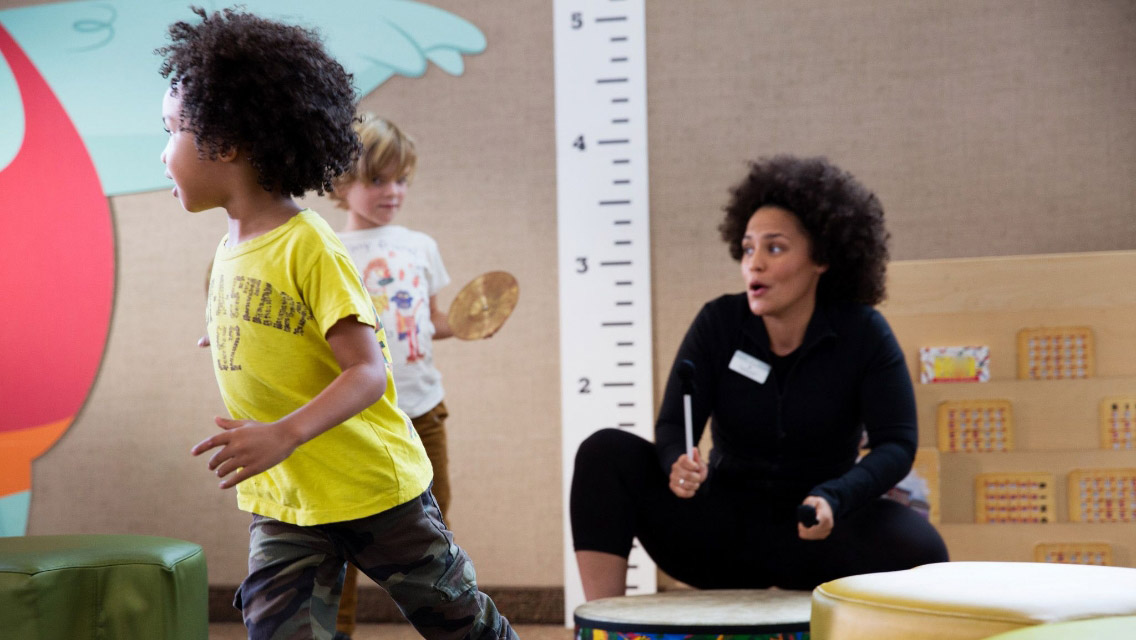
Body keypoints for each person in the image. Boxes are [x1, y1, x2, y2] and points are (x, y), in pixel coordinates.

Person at [157, 8, 517, 639]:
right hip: (289, 498)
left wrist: (284, 433)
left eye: (171, 132)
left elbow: (367, 372)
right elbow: (276, 326)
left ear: (227, 143)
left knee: (458, 620)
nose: (163, 155)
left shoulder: (311, 244)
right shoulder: (229, 248)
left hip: (373, 489)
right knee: (277, 630)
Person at [570, 155, 949, 599]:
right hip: (721, 531)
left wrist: (834, 497)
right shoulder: (718, 323)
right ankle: (598, 624)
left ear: (822, 258)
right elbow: (673, 424)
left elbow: (896, 443)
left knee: (921, 547)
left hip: (817, 528)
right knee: (604, 452)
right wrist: (677, 462)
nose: (755, 264)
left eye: (774, 247)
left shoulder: (864, 332)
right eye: (748, 248)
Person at [328, 115, 464, 639]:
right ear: (343, 183)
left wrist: (472, 321)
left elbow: (432, 321)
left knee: (433, 526)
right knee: (340, 532)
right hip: (355, 417)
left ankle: (451, 623)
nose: (393, 191)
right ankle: (336, 629)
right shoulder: (330, 249)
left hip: (424, 409)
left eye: (401, 179)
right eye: (377, 179)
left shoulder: (420, 246)